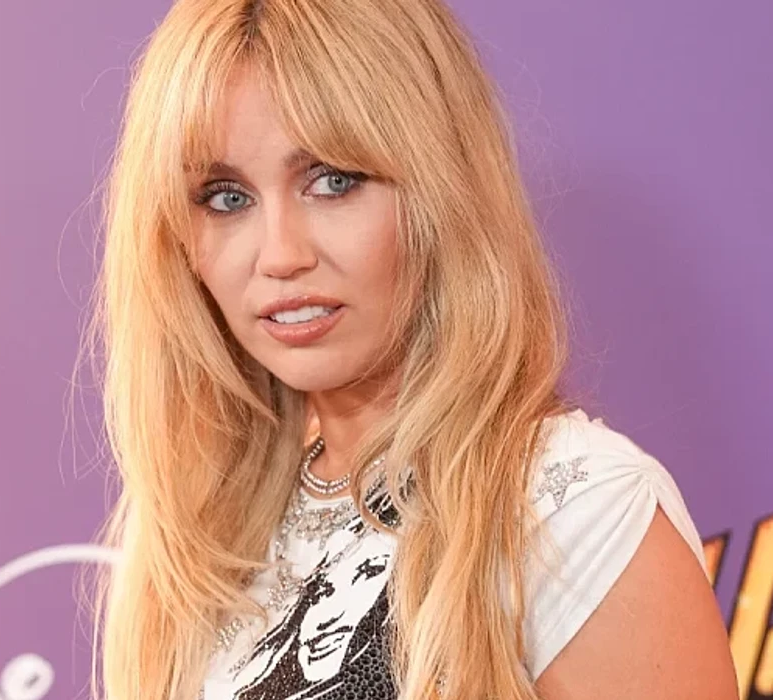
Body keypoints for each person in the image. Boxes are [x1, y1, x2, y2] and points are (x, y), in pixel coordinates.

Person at [88, 0, 739, 698]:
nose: (279, 255)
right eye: (224, 198)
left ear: (441, 190)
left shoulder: (575, 512)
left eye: (333, 181)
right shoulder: (197, 539)